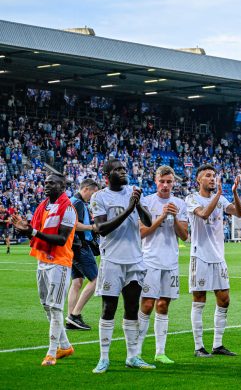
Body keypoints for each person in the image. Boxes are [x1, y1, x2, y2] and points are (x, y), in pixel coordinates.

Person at [90, 159, 155, 373]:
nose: (123, 172)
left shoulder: (134, 192)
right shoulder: (99, 197)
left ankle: (133, 356)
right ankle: (104, 358)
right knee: (109, 308)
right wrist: (128, 210)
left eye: (124, 169)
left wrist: (137, 205)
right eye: (118, 169)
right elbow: (101, 228)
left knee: (132, 308)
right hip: (112, 259)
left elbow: (147, 221)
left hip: (135, 259)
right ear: (107, 175)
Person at [10, 173, 77, 366]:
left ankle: (51, 353)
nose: (46, 186)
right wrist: (26, 228)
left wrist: (31, 231)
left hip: (59, 262)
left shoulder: (69, 209)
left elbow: (62, 239)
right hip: (42, 260)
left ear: (62, 186)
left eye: (52, 183)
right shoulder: (43, 207)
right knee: (47, 306)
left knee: (55, 308)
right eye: (45, 183)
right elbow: (36, 231)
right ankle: (65, 345)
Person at [186, 164, 241, 357]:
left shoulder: (221, 197)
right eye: (208, 176)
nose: (212, 178)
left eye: (214, 175)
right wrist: (218, 195)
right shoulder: (192, 198)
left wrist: (234, 193)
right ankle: (198, 347)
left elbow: (239, 213)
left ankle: (218, 345)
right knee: (199, 299)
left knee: (224, 299)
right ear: (198, 180)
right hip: (200, 255)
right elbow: (203, 214)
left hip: (218, 256)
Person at [136, 166, 189, 364]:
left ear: (173, 182)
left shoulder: (180, 204)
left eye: (169, 181)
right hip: (149, 259)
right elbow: (142, 232)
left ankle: (160, 352)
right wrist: (161, 216)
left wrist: (174, 216)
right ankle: (137, 351)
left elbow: (184, 235)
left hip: (171, 261)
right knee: (147, 304)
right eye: (162, 181)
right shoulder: (147, 202)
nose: (165, 185)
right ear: (155, 180)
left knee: (163, 305)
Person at [66, 178, 99, 331]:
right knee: (96, 280)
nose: (94, 196)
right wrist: (92, 227)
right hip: (79, 247)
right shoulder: (78, 203)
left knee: (77, 282)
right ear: (86, 189)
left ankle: (69, 319)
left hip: (73, 246)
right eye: (93, 192)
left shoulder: (74, 201)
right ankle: (75, 315)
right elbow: (75, 225)